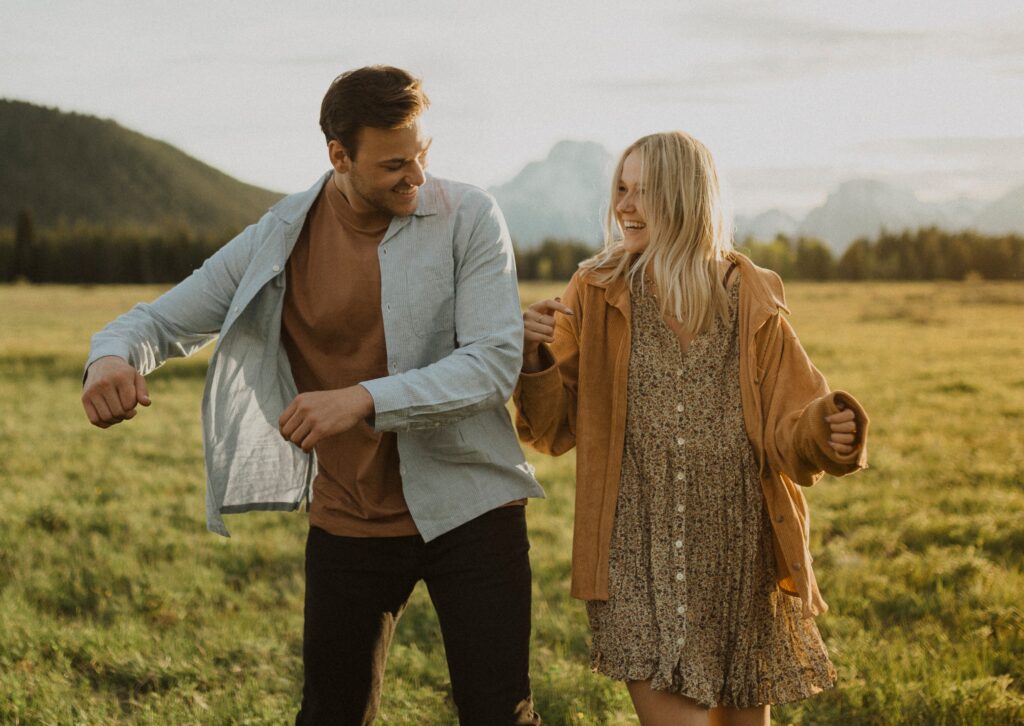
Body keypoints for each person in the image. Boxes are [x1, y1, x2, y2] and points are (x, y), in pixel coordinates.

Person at [81, 65, 543, 726]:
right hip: (349, 519)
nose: (416, 175)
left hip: (474, 510)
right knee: (330, 714)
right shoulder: (279, 239)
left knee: (501, 713)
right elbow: (154, 322)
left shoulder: (469, 216)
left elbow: (493, 363)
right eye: (393, 164)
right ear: (338, 156)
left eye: (421, 154)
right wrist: (110, 358)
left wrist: (362, 398)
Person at [513, 131, 869, 725]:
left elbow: (792, 419)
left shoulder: (750, 296)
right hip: (634, 551)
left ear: (688, 197)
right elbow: (554, 428)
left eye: (643, 191)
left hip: (739, 551)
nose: (624, 205)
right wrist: (534, 360)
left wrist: (828, 430)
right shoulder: (595, 291)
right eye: (620, 189)